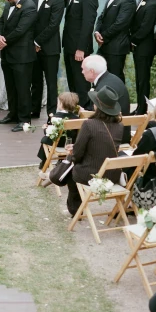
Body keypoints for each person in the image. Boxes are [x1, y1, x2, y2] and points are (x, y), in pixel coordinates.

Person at [59, 85, 124, 217]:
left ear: (97, 106)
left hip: (92, 176)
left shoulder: (89, 124)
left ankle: (75, 209)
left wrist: (73, 152)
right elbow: (102, 145)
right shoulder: (120, 126)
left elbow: (78, 154)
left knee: (72, 168)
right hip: (112, 174)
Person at [0, 0, 37, 132]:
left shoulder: (30, 6)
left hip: (22, 56)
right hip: (8, 54)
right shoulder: (8, 4)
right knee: (10, 87)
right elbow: (0, 22)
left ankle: (24, 120)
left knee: (23, 88)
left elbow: (21, 30)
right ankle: (12, 114)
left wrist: (4, 41)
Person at [58, 0, 99, 107]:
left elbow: (88, 24)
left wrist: (81, 48)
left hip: (78, 49)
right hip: (69, 45)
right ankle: (75, 115)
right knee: (73, 84)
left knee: (81, 86)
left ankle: (85, 116)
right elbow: (62, 5)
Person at [30, 0, 64, 120]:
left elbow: (53, 25)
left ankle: (52, 113)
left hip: (50, 48)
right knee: (35, 81)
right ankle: (34, 109)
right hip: (33, 48)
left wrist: (37, 41)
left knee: (51, 83)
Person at [94, 0, 136, 83]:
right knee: (99, 76)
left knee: (115, 78)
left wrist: (103, 36)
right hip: (104, 45)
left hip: (116, 47)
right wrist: (97, 31)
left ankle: (121, 101)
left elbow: (120, 24)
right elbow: (102, 15)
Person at [130, 0, 156, 115]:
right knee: (139, 78)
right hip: (139, 46)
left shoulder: (153, 4)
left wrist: (132, 40)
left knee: (143, 79)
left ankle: (142, 109)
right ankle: (139, 106)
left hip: (145, 47)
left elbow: (146, 28)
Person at [81, 54, 132, 142]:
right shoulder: (112, 78)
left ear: (92, 71)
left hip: (112, 136)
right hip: (122, 130)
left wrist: (82, 112)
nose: (82, 72)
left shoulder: (104, 89)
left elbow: (99, 115)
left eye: (83, 69)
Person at [37, 90, 80, 172]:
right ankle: (60, 160)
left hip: (58, 143)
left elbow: (51, 133)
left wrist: (45, 129)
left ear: (61, 104)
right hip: (72, 142)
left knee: (45, 139)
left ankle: (44, 160)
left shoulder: (56, 118)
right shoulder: (77, 118)